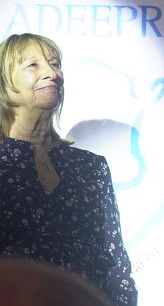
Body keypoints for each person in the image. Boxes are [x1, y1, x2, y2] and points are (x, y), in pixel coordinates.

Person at [0, 33, 138, 305]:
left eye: (55, 64)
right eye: (33, 65)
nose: (52, 74)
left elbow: (113, 263)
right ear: (4, 84)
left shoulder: (90, 167)